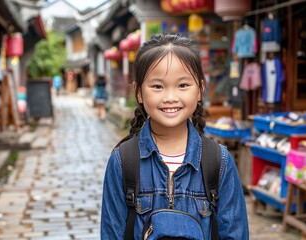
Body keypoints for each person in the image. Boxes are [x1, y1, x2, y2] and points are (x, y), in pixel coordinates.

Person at [100, 35, 249, 239]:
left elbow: (235, 234)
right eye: (158, 86)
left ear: (200, 90)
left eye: (183, 85)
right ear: (139, 93)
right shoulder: (123, 161)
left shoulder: (219, 162)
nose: (170, 97)